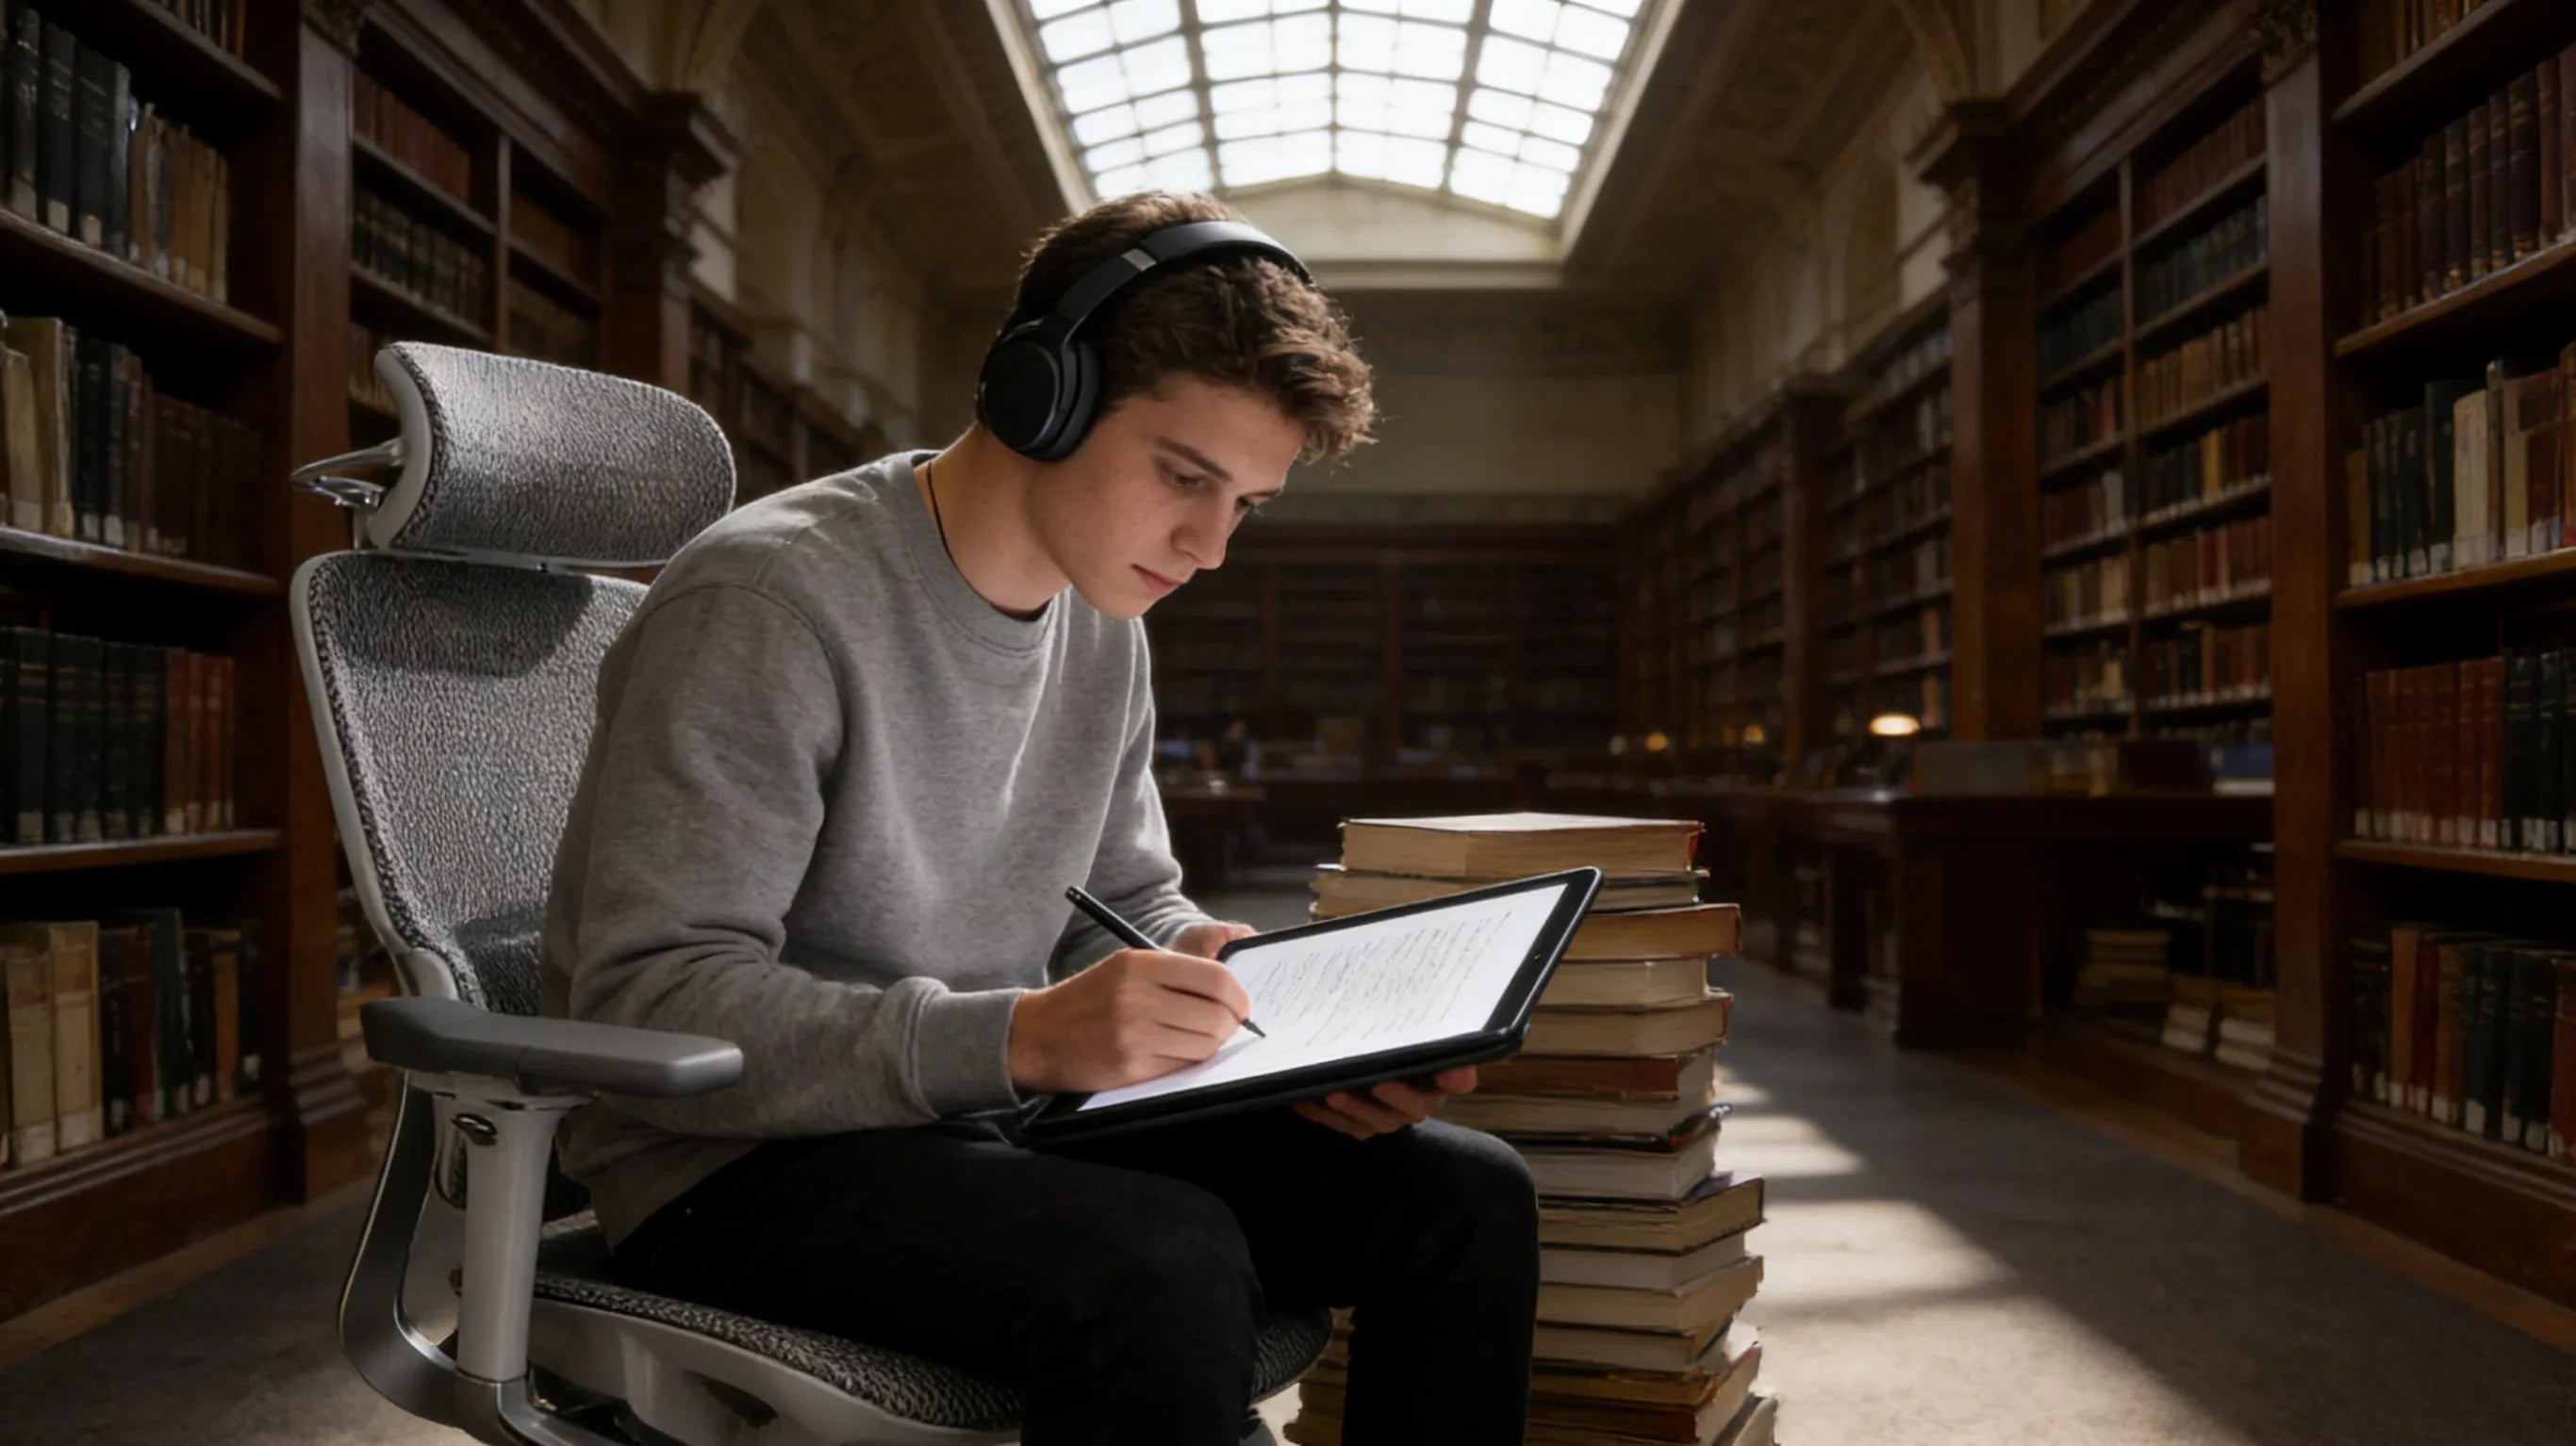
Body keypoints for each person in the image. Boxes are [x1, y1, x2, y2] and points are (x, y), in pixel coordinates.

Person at [538, 190, 1541, 1446]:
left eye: (1244, 504)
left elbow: (1118, 900)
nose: (1209, 546)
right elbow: (650, 1000)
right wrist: (1018, 1039)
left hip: (981, 1119)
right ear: (1040, 394)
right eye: (1185, 478)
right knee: (1161, 1258)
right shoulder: (769, 600)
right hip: (729, 1167)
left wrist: (1213, 979)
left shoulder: (1103, 619)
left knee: (1464, 1198)